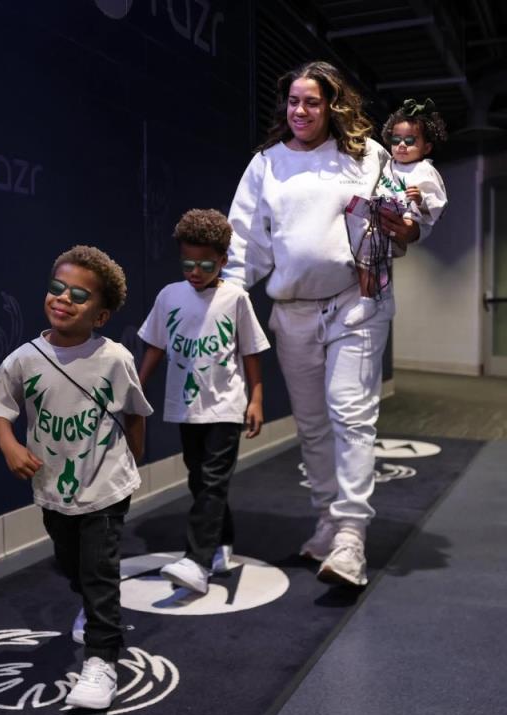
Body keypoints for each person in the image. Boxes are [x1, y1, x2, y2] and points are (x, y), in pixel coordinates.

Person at [224, 61, 421, 587]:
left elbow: (404, 223)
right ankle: (327, 521)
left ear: (333, 106)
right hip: (293, 311)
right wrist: (224, 299)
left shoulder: (367, 156)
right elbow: (245, 243)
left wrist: (406, 228)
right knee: (312, 424)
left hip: (357, 302)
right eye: (293, 101)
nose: (301, 111)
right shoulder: (266, 164)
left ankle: (352, 537)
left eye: (312, 101)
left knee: (350, 414)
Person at [0, 245, 153, 709]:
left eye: (79, 295)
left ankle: (102, 659)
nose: (63, 298)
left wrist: (133, 456)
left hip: (105, 486)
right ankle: (92, 605)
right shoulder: (24, 358)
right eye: (57, 288)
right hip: (53, 487)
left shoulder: (114, 358)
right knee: (72, 562)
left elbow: (135, 411)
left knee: (99, 571)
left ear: (100, 315)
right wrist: (10, 445)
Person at [137, 208, 270, 594]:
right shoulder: (169, 296)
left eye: (206, 265)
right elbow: (155, 345)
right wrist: (137, 386)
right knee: (200, 479)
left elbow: (250, 351)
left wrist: (256, 398)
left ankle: (196, 562)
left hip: (226, 404)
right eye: (188, 263)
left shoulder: (235, 298)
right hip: (185, 405)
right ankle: (222, 540)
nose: (195, 272)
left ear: (223, 260)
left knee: (212, 480)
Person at [345, 97, 448, 326]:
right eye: (396, 139)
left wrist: (420, 199)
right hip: (380, 214)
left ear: (426, 147)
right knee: (370, 256)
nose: (401, 145)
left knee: (371, 254)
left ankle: (368, 300)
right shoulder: (388, 163)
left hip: (406, 219)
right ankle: (380, 298)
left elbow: (438, 205)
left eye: (410, 141)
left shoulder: (424, 170)